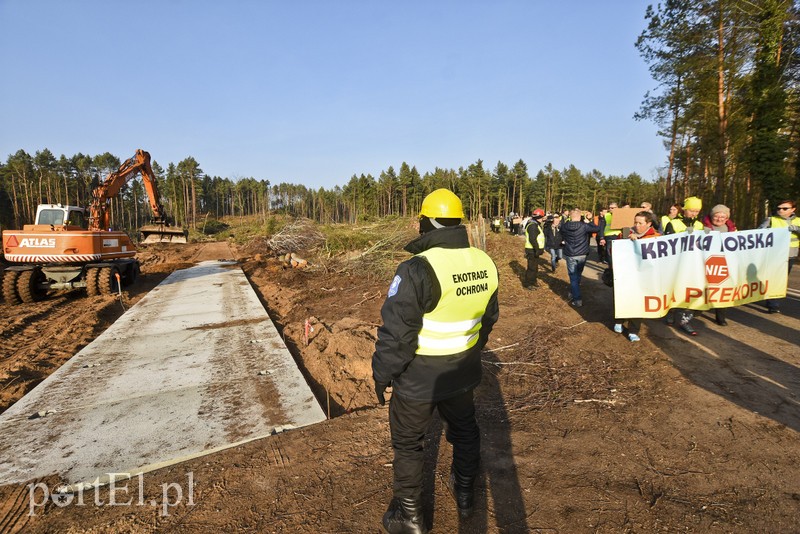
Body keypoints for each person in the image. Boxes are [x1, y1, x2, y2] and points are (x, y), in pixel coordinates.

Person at [372, 188, 499, 534]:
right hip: (462, 372)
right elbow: (488, 319)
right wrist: (468, 350)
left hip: (419, 379)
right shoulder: (484, 263)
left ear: (425, 222)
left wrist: (382, 375)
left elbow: (397, 335)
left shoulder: (417, 268)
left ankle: (410, 517)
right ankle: (465, 494)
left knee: (408, 445)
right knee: (465, 430)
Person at [613, 211, 661, 341]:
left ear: (649, 224)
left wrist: (638, 242)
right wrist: (626, 240)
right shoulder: (625, 233)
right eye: (635, 222)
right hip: (626, 274)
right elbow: (615, 250)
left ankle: (633, 331)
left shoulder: (656, 237)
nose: (636, 225)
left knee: (638, 302)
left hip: (644, 277)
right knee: (623, 298)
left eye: (640, 223)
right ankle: (619, 320)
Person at [664, 196, 704, 335]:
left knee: (690, 292)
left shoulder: (699, 225)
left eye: (697, 211)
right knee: (675, 290)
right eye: (691, 210)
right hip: (676, 264)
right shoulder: (674, 223)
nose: (694, 213)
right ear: (685, 210)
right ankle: (670, 312)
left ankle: (685, 321)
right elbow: (666, 243)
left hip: (693, 265)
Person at [759, 199, 799, 314]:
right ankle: (773, 304)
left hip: (790, 255)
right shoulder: (771, 220)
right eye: (779, 208)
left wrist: (797, 229)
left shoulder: (798, 221)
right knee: (775, 278)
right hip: (774, 255)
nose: (781, 210)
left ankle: (771, 299)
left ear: (793, 209)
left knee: (782, 279)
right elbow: (758, 233)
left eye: (785, 208)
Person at [560, 208, 600, 307]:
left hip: (570, 254)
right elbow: (597, 229)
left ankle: (575, 295)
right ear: (580, 216)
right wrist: (589, 221)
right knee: (577, 274)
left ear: (570, 216)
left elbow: (561, 234)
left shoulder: (564, 226)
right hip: (582, 253)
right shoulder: (584, 226)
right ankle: (576, 296)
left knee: (573, 276)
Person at [524, 209, 546, 288]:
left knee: (535, 267)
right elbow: (532, 239)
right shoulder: (533, 226)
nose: (542, 219)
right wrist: (537, 249)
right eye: (542, 217)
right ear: (539, 217)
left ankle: (533, 281)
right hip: (532, 250)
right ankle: (528, 283)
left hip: (534, 250)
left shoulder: (535, 224)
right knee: (532, 268)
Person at [598, 202, 619, 268]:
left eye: (612, 208)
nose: (610, 209)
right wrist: (602, 238)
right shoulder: (606, 215)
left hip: (618, 236)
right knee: (609, 253)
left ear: (617, 208)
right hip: (609, 236)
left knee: (618, 254)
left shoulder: (621, 215)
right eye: (609, 208)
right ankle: (611, 268)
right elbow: (602, 227)